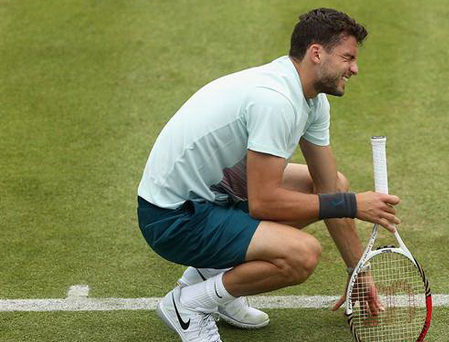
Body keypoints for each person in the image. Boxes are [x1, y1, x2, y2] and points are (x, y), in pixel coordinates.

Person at [137, 8, 401, 342]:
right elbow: (264, 203)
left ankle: (216, 284)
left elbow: (327, 186)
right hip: (172, 218)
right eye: (348, 57)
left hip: (212, 195)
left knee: (335, 186)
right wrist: (350, 205)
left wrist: (357, 271)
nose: (355, 68)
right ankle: (189, 305)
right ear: (316, 53)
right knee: (302, 255)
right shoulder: (275, 101)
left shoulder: (310, 100)